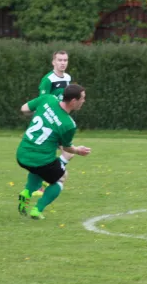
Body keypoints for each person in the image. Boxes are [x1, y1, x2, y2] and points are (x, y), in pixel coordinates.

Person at [16, 84, 91, 220]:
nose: (84, 101)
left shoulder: (47, 99)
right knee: (61, 178)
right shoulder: (68, 124)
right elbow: (68, 148)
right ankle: (37, 210)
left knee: (40, 169)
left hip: (22, 154)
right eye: (82, 98)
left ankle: (27, 192)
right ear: (73, 101)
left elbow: (24, 109)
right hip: (40, 160)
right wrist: (78, 150)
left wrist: (41, 116)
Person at [34, 50, 74, 197]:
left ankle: (44, 183)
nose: (63, 63)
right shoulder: (48, 79)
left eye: (65, 60)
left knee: (67, 152)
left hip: (59, 123)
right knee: (66, 152)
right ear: (53, 62)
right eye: (60, 60)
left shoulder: (68, 77)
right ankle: (42, 184)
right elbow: (42, 101)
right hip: (49, 123)